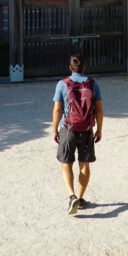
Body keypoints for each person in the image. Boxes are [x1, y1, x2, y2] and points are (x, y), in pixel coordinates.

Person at [52, 54, 103, 215]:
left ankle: (71, 196)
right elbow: (99, 110)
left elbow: (57, 110)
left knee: (66, 163)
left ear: (70, 68)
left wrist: (54, 129)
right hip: (86, 129)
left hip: (68, 128)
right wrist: (99, 129)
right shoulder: (93, 84)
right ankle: (80, 199)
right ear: (84, 67)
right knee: (84, 165)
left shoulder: (62, 84)